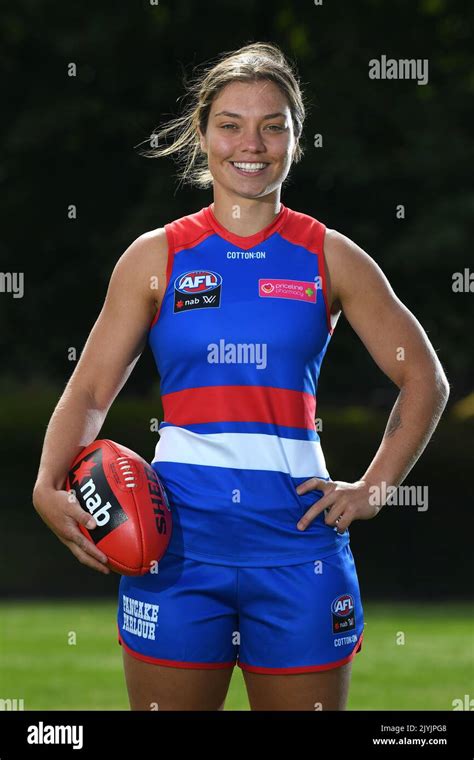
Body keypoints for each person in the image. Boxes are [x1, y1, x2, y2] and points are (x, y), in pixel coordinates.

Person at [32, 42, 450, 711]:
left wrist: (375, 488)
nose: (250, 143)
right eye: (230, 123)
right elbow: (88, 392)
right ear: (203, 135)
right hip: (175, 547)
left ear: (296, 137)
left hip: (299, 546)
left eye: (273, 124)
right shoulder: (155, 256)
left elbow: (424, 380)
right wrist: (46, 482)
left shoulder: (329, 255)